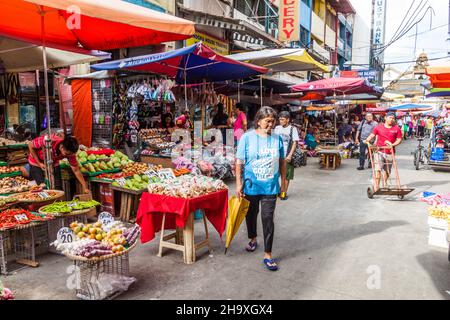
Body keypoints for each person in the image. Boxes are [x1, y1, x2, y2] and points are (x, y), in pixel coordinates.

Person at [236, 106, 286, 272]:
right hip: (251, 185)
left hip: (270, 186)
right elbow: (239, 162)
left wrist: (283, 181)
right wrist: (238, 184)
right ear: (258, 121)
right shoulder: (247, 138)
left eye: (273, 121)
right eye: (267, 121)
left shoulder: (277, 139)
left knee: (267, 219)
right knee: (250, 215)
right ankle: (252, 238)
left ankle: (268, 254)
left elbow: (282, 161)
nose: (271, 124)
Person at [363, 112, 403, 192]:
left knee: (387, 171)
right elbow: (372, 135)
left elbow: (399, 139)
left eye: (393, 118)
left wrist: (392, 144)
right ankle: (376, 187)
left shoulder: (396, 128)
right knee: (377, 170)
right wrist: (367, 140)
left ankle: (385, 182)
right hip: (379, 151)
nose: (391, 119)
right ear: (385, 118)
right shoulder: (378, 127)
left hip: (390, 152)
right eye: (390, 117)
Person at [274, 111, 299, 201]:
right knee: (276, 174)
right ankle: (278, 190)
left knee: (286, 175)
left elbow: (295, 142)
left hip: (287, 155)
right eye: (280, 119)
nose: (280, 121)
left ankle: (284, 192)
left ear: (287, 120)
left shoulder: (293, 129)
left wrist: (290, 155)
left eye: (282, 119)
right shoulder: (277, 128)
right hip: (277, 156)